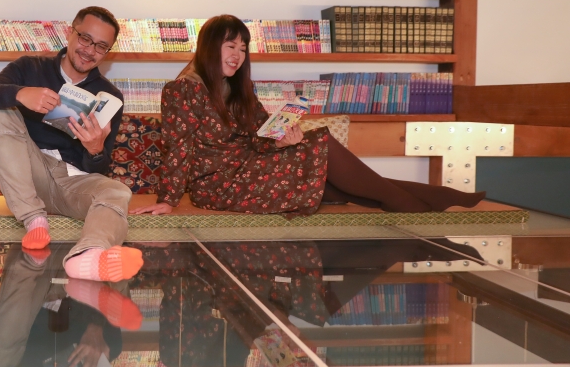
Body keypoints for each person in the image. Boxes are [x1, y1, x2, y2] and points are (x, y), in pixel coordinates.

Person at [133, 14, 486, 217]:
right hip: (218, 183)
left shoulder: (239, 87)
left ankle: (434, 197)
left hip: (251, 166)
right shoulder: (182, 89)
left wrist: (282, 137)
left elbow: (261, 133)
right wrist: (167, 200)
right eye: (230, 46)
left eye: (242, 48)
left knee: (331, 184)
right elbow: (178, 148)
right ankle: (418, 206)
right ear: (210, 47)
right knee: (324, 146)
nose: (238, 55)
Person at [0, 6, 141, 283]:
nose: (90, 50)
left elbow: (99, 168)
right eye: (85, 38)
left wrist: (95, 150)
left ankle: (89, 256)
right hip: (27, 171)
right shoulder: (30, 67)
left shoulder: (109, 96)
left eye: (101, 46)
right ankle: (34, 219)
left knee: (117, 191)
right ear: (70, 33)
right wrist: (21, 94)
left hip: (70, 180)